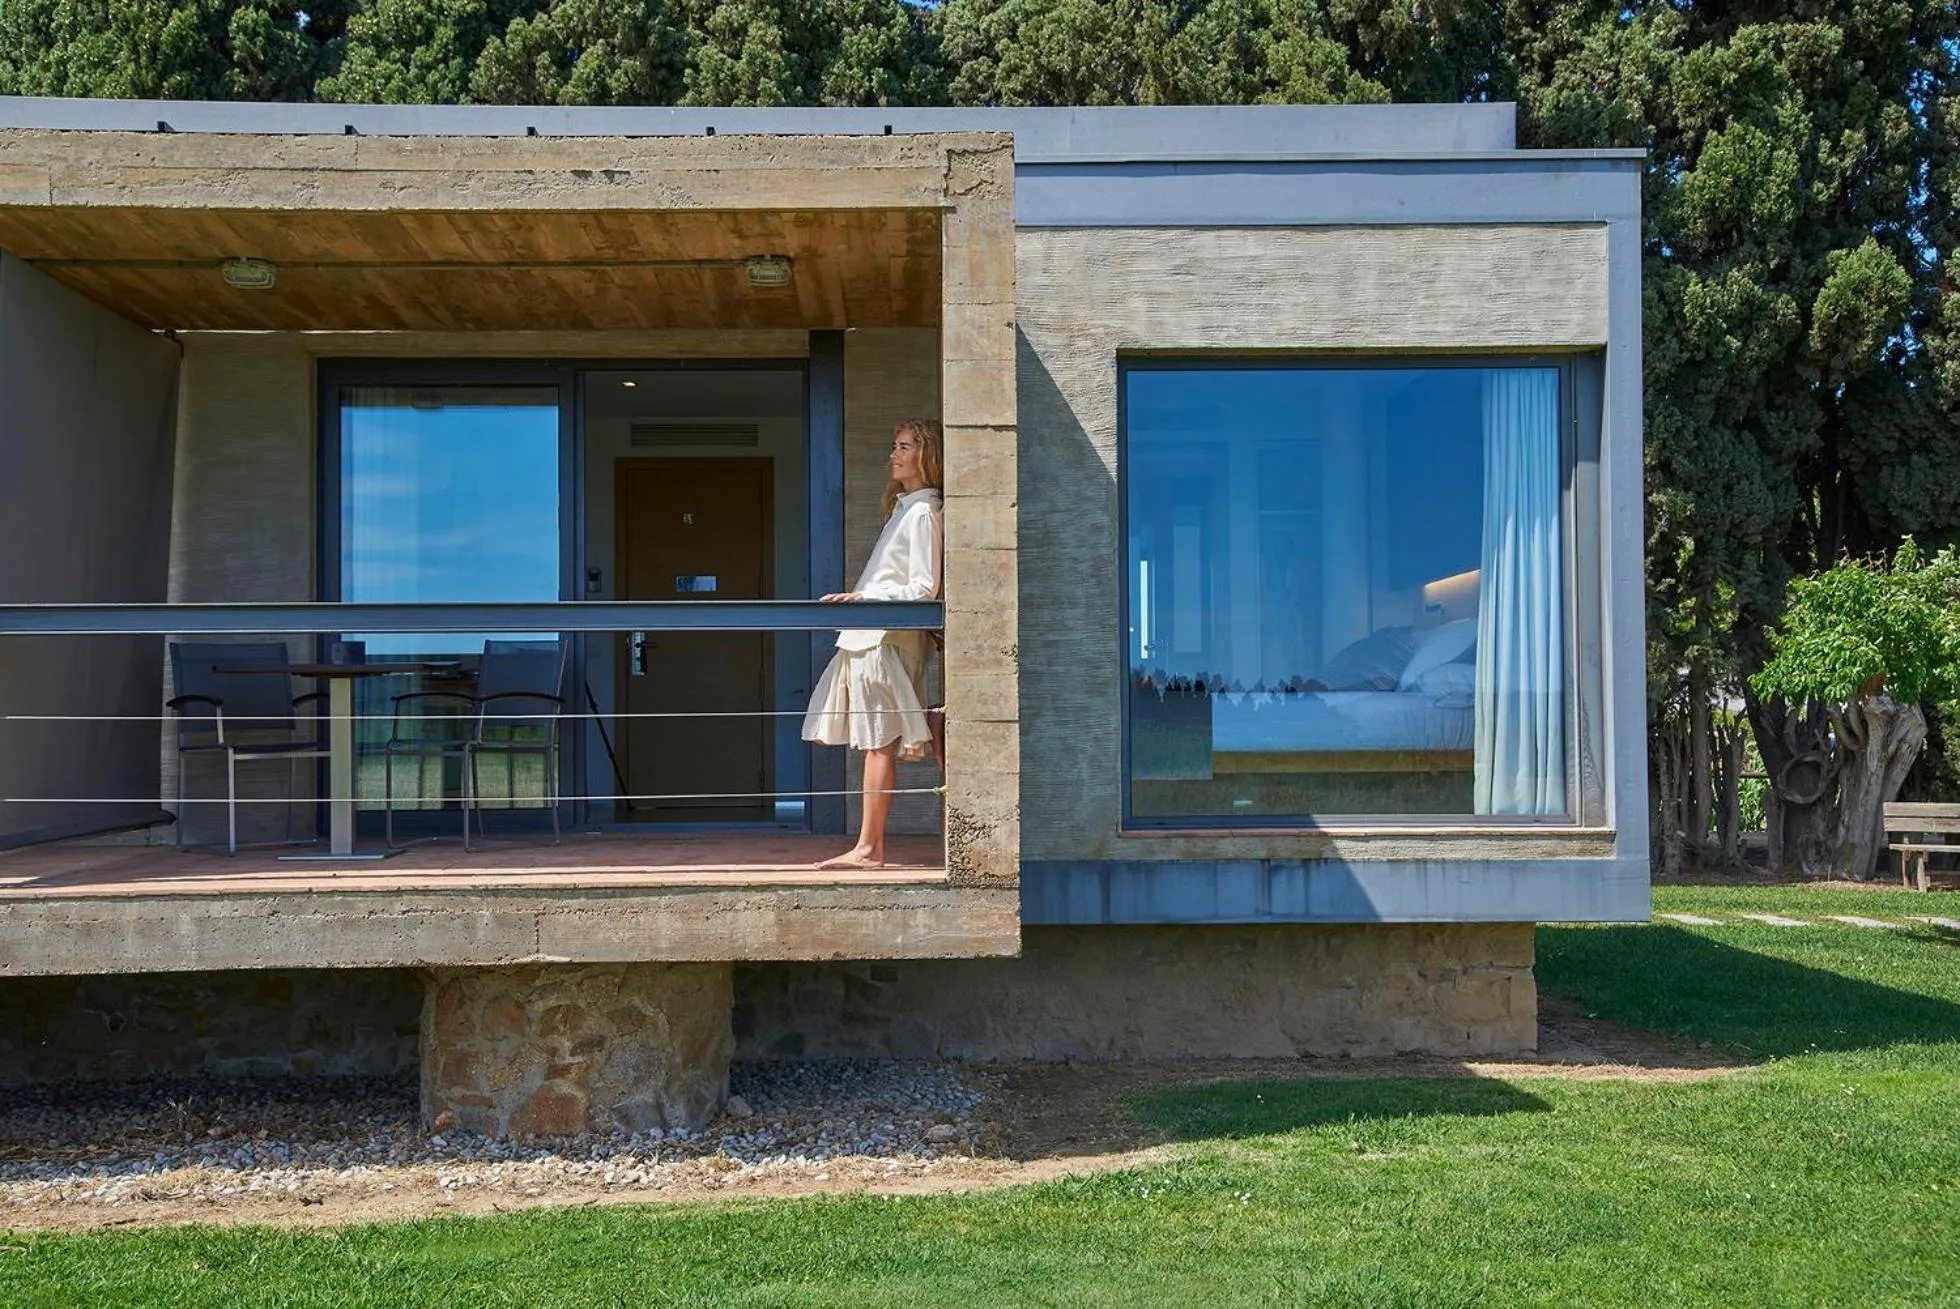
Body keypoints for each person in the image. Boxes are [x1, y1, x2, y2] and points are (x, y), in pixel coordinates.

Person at [802, 419, 945, 870]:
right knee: (875, 742)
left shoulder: (923, 512)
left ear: (925, 453)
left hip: (885, 638)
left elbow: (924, 587)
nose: (893, 454)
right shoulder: (906, 509)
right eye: (893, 445)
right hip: (873, 636)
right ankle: (868, 847)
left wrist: (866, 598)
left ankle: (868, 849)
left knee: (878, 742)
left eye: (903, 447)